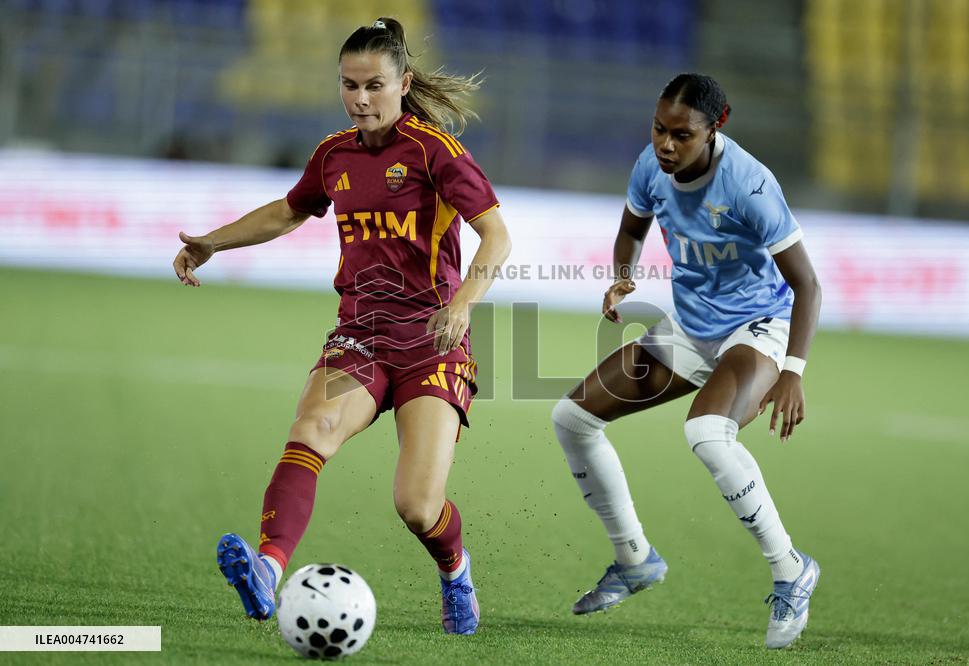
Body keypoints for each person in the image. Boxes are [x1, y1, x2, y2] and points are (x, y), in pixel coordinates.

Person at [172, 18, 511, 636]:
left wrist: (463, 302)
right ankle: (267, 569)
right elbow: (288, 210)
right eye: (349, 85)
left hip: (432, 344)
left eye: (374, 85)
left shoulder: (435, 152)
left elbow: (496, 235)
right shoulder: (334, 154)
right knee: (312, 430)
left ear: (403, 83)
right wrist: (213, 242)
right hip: (360, 336)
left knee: (416, 505)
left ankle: (455, 570)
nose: (360, 98)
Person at [551, 73, 822, 649]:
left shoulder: (750, 185)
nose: (666, 145)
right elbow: (631, 229)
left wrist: (793, 371)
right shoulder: (650, 167)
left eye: (682, 135)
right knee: (571, 418)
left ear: (715, 127)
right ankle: (634, 558)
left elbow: (808, 285)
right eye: (659, 129)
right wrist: (622, 276)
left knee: (707, 432)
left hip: (758, 326)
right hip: (692, 326)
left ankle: (791, 568)